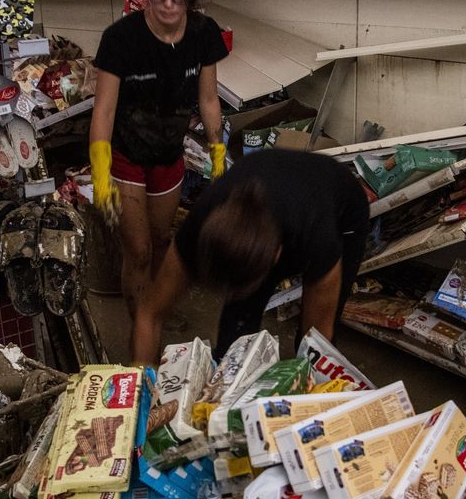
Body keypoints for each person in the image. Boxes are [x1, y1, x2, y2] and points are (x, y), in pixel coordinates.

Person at [89, 0, 229, 322]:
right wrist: (100, 177)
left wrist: (219, 158)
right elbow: (103, 110)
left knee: (163, 240)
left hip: (169, 153)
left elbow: (210, 100)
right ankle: (142, 323)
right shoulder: (120, 39)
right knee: (137, 251)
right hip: (126, 156)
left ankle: (156, 306)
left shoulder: (204, 34)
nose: (168, 3)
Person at [133, 149, 370, 364]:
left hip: (343, 212)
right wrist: (143, 384)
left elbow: (319, 339)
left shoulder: (316, 236)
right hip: (273, 201)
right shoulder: (199, 226)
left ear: (276, 255)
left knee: (308, 350)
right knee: (233, 346)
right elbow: (149, 313)